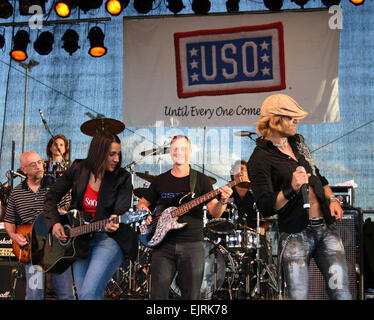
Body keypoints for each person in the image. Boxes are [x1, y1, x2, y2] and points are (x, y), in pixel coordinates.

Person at [247, 93, 352, 300]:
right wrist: (291, 188)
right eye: (291, 117)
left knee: (342, 292)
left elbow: (318, 176)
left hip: (325, 227)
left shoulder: (298, 141)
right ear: (275, 120)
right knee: (297, 296)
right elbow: (266, 206)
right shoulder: (259, 159)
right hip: (295, 234)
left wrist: (331, 199)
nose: (297, 121)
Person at [43, 131, 138, 300]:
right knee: (86, 295)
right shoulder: (78, 168)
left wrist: (114, 221)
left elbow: (122, 210)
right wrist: (55, 224)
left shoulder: (122, 178)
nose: (117, 159)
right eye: (112, 154)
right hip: (80, 241)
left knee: (89, 293)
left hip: (108, 238)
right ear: (99, 152)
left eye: (118, 154)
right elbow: (51, 197)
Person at [136, 135, 233, 300]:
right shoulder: (160, 180)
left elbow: (214, 212)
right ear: (170, 152)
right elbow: (143, 202)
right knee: (157, 296)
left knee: (191, 296)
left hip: (192, 245)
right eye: (175, 149)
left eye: (183, 149)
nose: (179, 152)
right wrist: (145, 211)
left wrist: (223, 200)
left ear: (190, 151)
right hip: (163, 245)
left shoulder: (201, 180)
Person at [3, 151, 75, 300]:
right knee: (34, 295)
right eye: (33, 164)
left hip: (56, 247)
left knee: (67, 295)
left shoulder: (56, 187)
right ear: (23, 169)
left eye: (39, 162)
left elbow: (66, 213)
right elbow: (9, 220)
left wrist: (61, 213)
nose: (39, 166)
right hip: (31, 248)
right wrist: (14, 235)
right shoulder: (16, 194)